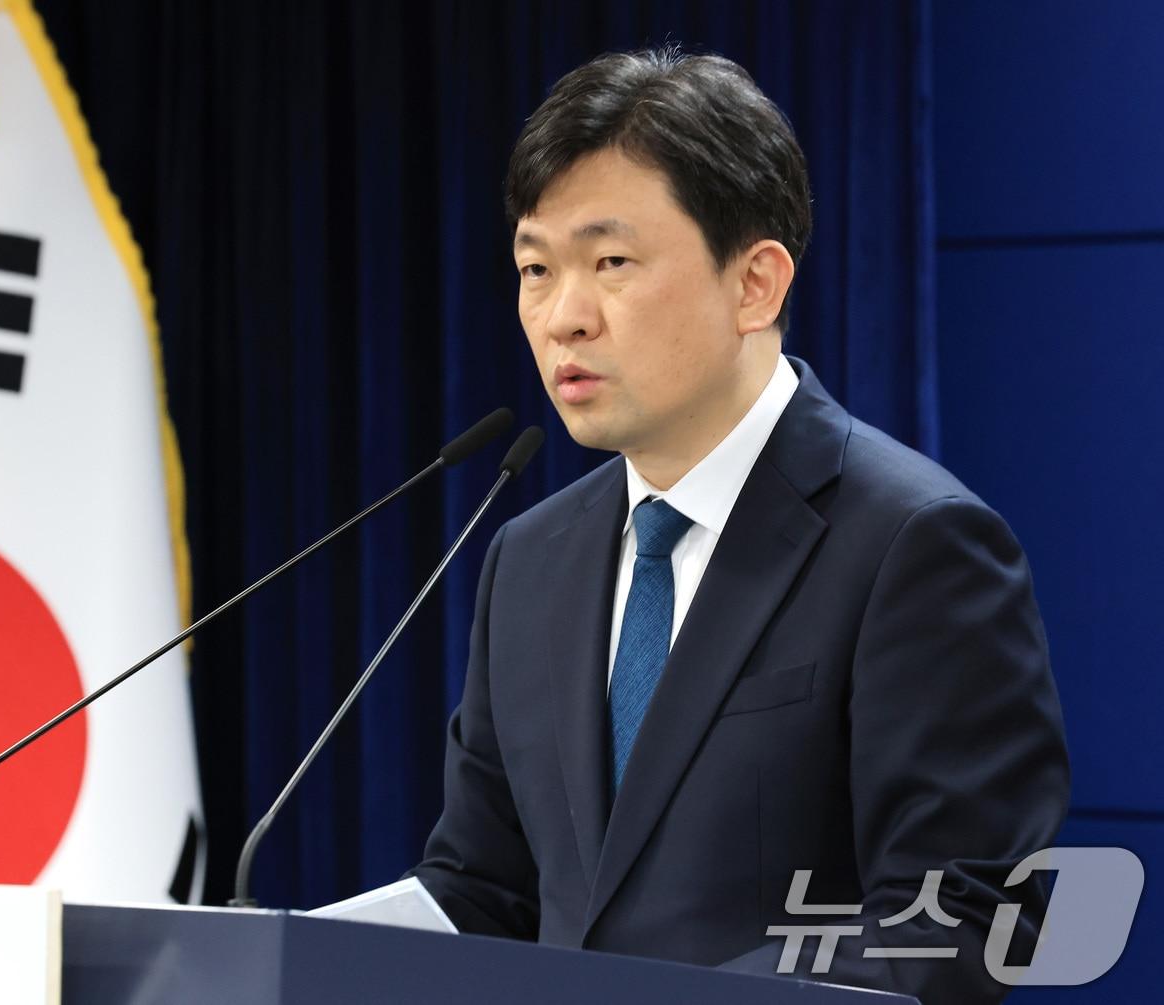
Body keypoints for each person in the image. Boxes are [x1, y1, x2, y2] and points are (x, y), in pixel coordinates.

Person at [410, 47, 1069, 1004]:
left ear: (755, 283)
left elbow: (961, 921)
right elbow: (483, 889)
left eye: (611, 262)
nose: (563, 317)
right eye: (535, 269)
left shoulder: (915, 544)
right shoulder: (530, 558)